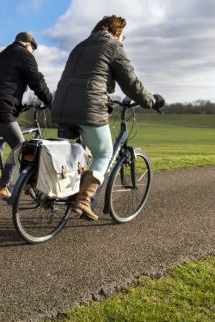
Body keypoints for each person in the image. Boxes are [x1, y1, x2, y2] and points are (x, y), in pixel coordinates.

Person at [51, 15, 165, 220]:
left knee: (83, 153)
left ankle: (69, 190)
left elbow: (88, 76)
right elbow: (131, 83)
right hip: (88, 106)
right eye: (123, 35)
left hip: (60, 104)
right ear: (117, 32)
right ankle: (83, 201)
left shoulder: (80, 46)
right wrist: (151, 101)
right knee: (103, 154)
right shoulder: (113, 46)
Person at [0, 32, 53, 199]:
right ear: (28, 45)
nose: (32, 53)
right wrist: (50, 102)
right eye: (32, 50)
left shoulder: (5, 53)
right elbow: (37, 82)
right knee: (20, 147)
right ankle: (3, 186)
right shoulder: (24, 55)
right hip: (0, 107)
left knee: (6, 136)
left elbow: (6, 82)